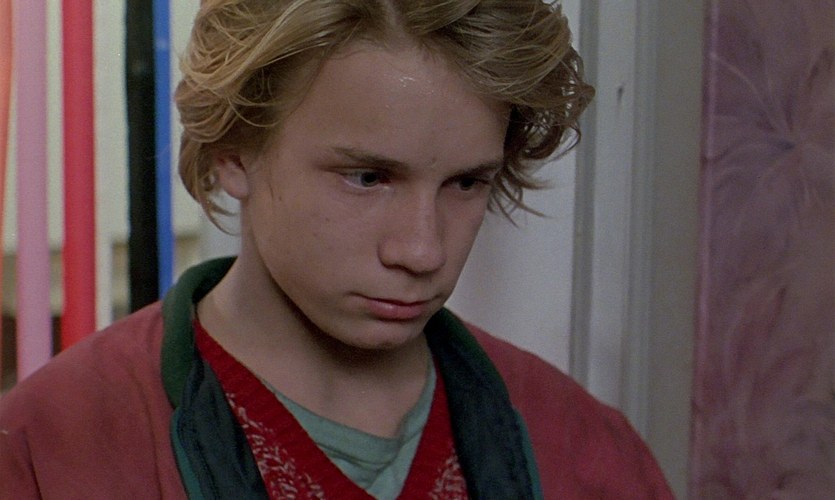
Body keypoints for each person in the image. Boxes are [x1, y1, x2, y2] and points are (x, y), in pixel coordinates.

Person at [0, 0, 674, 498]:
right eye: (368, 178)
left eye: (466, 183)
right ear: (233, 150)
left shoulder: (584, 452)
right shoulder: (51, 452)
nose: (422, 250)